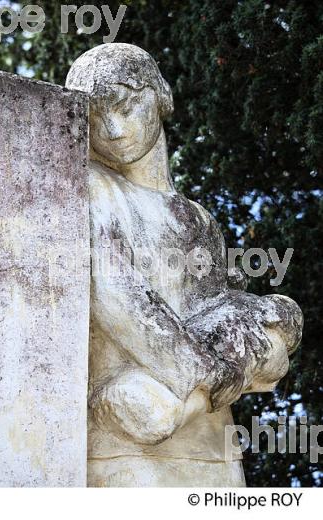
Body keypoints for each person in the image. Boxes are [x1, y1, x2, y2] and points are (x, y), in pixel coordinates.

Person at [66, 43, 303, 487]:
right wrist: (208, 372)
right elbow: (115, 296)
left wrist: (221, 372)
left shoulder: (198, 218)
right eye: (94, 118)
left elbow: (215, 309)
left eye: (124, 104)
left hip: (207, 437)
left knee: (275, 321)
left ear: (161, 93)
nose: (113, 129)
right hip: (125, 448)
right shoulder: (91, 187)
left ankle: (175, 404)